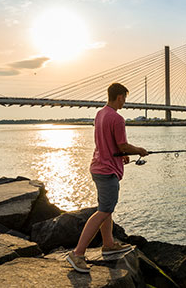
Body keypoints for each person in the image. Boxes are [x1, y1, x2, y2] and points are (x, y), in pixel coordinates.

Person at [66, 83, 148, 273]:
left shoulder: (100, 114)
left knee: (107, 208)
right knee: (103, 211)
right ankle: (77, 254)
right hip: (107, 171)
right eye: (124, 98)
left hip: (97, 166)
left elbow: (109, 144)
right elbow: (122, 145)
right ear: (119, 97)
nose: (124, 102)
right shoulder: (117, 118)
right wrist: (139, 151)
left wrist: (121, 154)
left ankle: (109, 244)